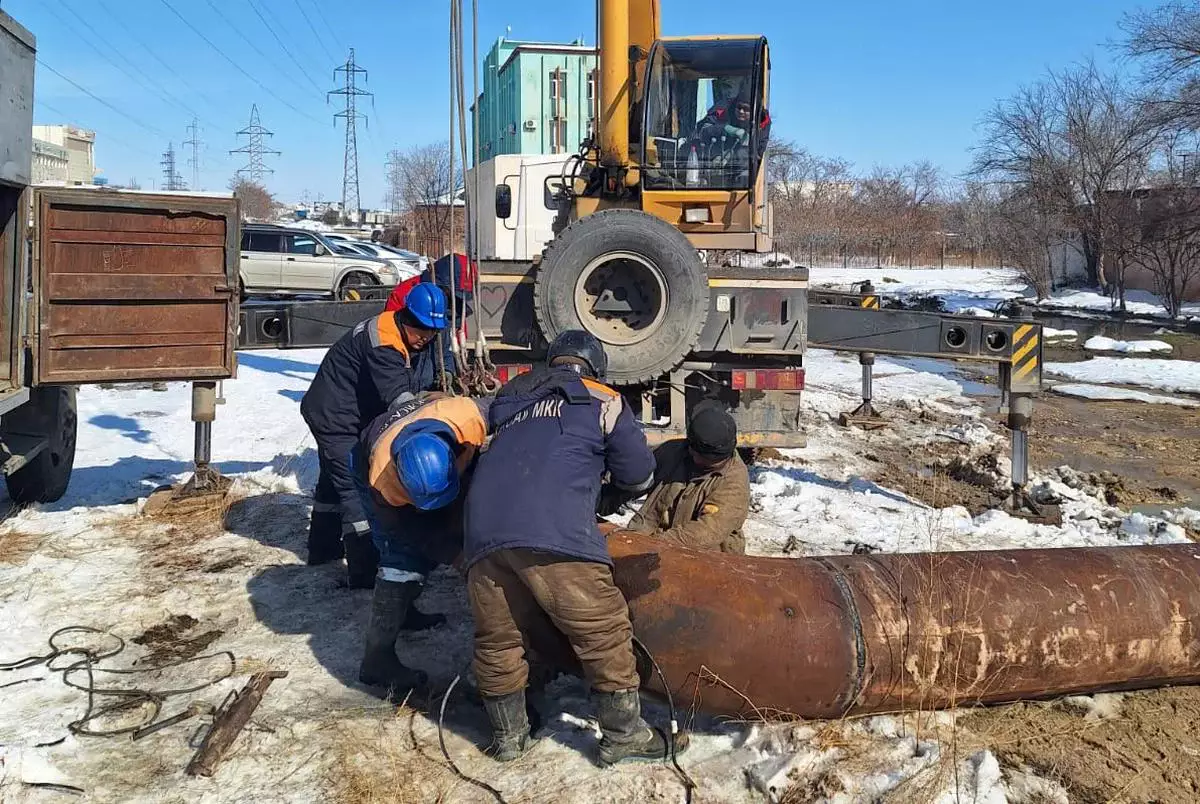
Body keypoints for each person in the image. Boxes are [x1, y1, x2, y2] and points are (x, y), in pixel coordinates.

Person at [462, 330, 684, 767]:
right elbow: (638, 474)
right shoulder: (602, 399)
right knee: (603, 632)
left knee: (499, 640)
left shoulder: (511, 401)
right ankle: (623, 736)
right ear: (594, 367)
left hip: (482, 536)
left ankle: (509, 739)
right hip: (554, 532)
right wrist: (601, 496)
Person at [300, 283, 448, 588]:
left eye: (433, 333)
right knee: (357, 492)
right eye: (422, 331)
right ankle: (365, 573)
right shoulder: (384, 341)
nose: (426, 338)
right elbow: (398, 400)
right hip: (336, 417)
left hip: (343, 412)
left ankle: (322, 550)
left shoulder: (403, 333)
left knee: (333, 482)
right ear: (406, 317)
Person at [354, 391, 490, 698]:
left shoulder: (471, 418)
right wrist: (457, 556)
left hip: (440, 422)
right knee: (401, 558)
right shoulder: (382, 482)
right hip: (365, 454)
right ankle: (377, 659)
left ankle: (406, 610)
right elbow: (411, 531)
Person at [627, 403, 750, 554]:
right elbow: (635, 478)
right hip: (648, 539)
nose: (698, 461)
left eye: (709, 461)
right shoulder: (673, 451)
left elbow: (707, 532)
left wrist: (654, 546)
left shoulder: (734, 480)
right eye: (696, 455)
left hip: (706, 557)